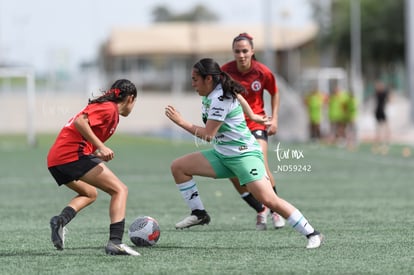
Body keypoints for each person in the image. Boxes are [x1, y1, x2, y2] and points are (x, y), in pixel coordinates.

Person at [164, 58, 324, 249]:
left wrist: (181, 122)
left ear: (208, 79)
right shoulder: (214, 91)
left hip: (244, 156)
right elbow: (238, 96)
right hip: (223, 155)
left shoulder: (220, 99)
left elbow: (208, 135)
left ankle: (313, 233)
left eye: (195, 79)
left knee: (269, 200)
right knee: (179, 167)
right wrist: (253, 115)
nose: (192, 84)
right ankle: (199, 214)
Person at [47, 79, 140, 256]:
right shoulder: (109, 108)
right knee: (120, 190)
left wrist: (95, 153)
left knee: (90, 193)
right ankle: (115, 242)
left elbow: (80, 135)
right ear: (130, 99)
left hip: (56, 160)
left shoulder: (109, 110)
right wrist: (101, 147)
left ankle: (60, 221)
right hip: (70, 156)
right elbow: (80, 122)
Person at [221, 33, 285, 231]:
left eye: (245, 51)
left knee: (261, 166)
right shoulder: (225, 72)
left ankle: (276, 210)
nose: (241, 55)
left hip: (256, 125)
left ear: (252, 51)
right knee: (232, 172)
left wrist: (274, 119)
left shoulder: (262, 72)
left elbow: (275, 93)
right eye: (237, 51)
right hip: (233, 129)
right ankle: (260, 209)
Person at [373, 80, 390, 154]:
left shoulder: (379, 93)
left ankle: (383, 141)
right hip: (380, 111)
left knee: (383, 127)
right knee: (381, 127)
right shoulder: (381, 93)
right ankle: (382, 142)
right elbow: (389, 98)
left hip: (380, 111)